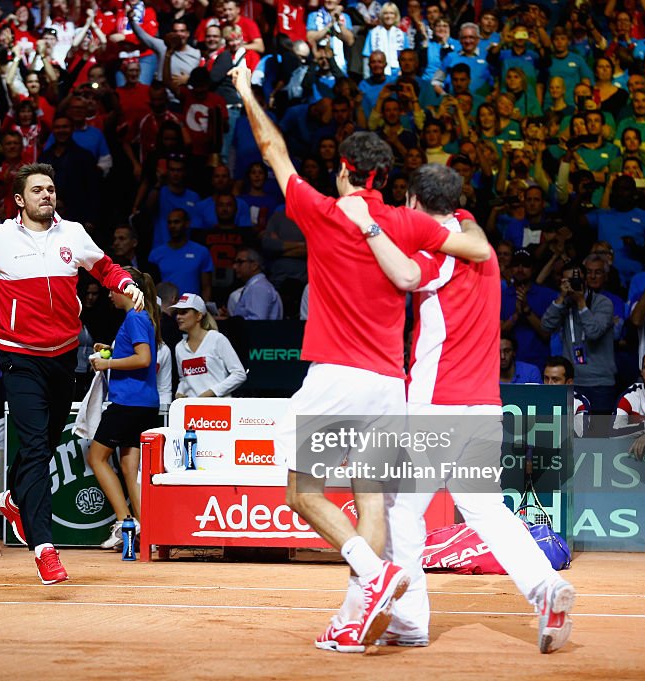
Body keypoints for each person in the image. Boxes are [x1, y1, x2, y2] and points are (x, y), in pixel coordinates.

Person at [229, 62, 492, 653]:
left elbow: (272, 148)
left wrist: (246, 89)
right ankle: (355, 619)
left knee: (302, 493)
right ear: (384, 175)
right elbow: (473, 245)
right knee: (369, 497)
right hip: (387, 386)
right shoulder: (405, 221)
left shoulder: (323, 212)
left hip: (335, 380)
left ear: (345, 169)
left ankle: (375, 577)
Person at [337, 163, 577, 653]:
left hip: (435, 405)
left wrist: (369, 223)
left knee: (402, 510)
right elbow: (465, 221)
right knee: (486, 509)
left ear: (413, 201)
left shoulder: (438, 252)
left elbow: (405, 274)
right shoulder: (480, 244)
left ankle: (409, 621)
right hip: (485, 404)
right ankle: (545, 587)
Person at [0, 163, 145, 585]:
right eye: (37, 190)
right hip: (19, 359)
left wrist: (125, 283)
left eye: (51, 189)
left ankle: (15, 496)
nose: (46, 195)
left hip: (63, 358)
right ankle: (44, 548)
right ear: (19, 199)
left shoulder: (72, 233)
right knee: (36, 447)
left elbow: (104, 266)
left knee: (47, 442)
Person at [86, 267, 161, 550]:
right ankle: (148, 534)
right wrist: (112, 350)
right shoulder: (140, 318)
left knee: (96, 458)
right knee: (130, 468)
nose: (108, 293)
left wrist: (107, 363)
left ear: (127, 290)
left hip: (129, 403)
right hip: (142, 403)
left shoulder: (135, 317)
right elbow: (136, 353)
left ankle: (124, 522)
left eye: (112, 288)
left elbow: (143, 359)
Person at [540, 264, 617, 413]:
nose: (572, 285)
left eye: (576, 280)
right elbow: (546, 326)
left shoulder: (603, 303)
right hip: (571, 381)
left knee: (598, 434)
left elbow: (594, 332)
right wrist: (561, 298)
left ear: (585, 281)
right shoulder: (564, 303)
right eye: (567, 280)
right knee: (570, 432)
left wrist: (581, 303)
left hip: (599, 383)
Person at [172, 293, 246, 398]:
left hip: (219, 408)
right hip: (193, 410)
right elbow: (184, 379)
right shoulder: (179, 347)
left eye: (184, 312)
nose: (178, 317)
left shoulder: (216, 339)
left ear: (199, 315)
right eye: (177, 313)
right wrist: (179, 392)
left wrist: (211, 392)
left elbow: (239, 374)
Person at [225, 248, 283, 320]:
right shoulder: (255, 286)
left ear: (254, 265)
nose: (234, 266)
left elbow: (256, 323)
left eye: (240, 262)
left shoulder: (259, 288)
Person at [543, 356, 591, 438]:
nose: (549, 384)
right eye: (546, 378)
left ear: (569, 383)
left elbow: (578, 438)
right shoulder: (535, 398)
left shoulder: (580, 403)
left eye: (555, 379)